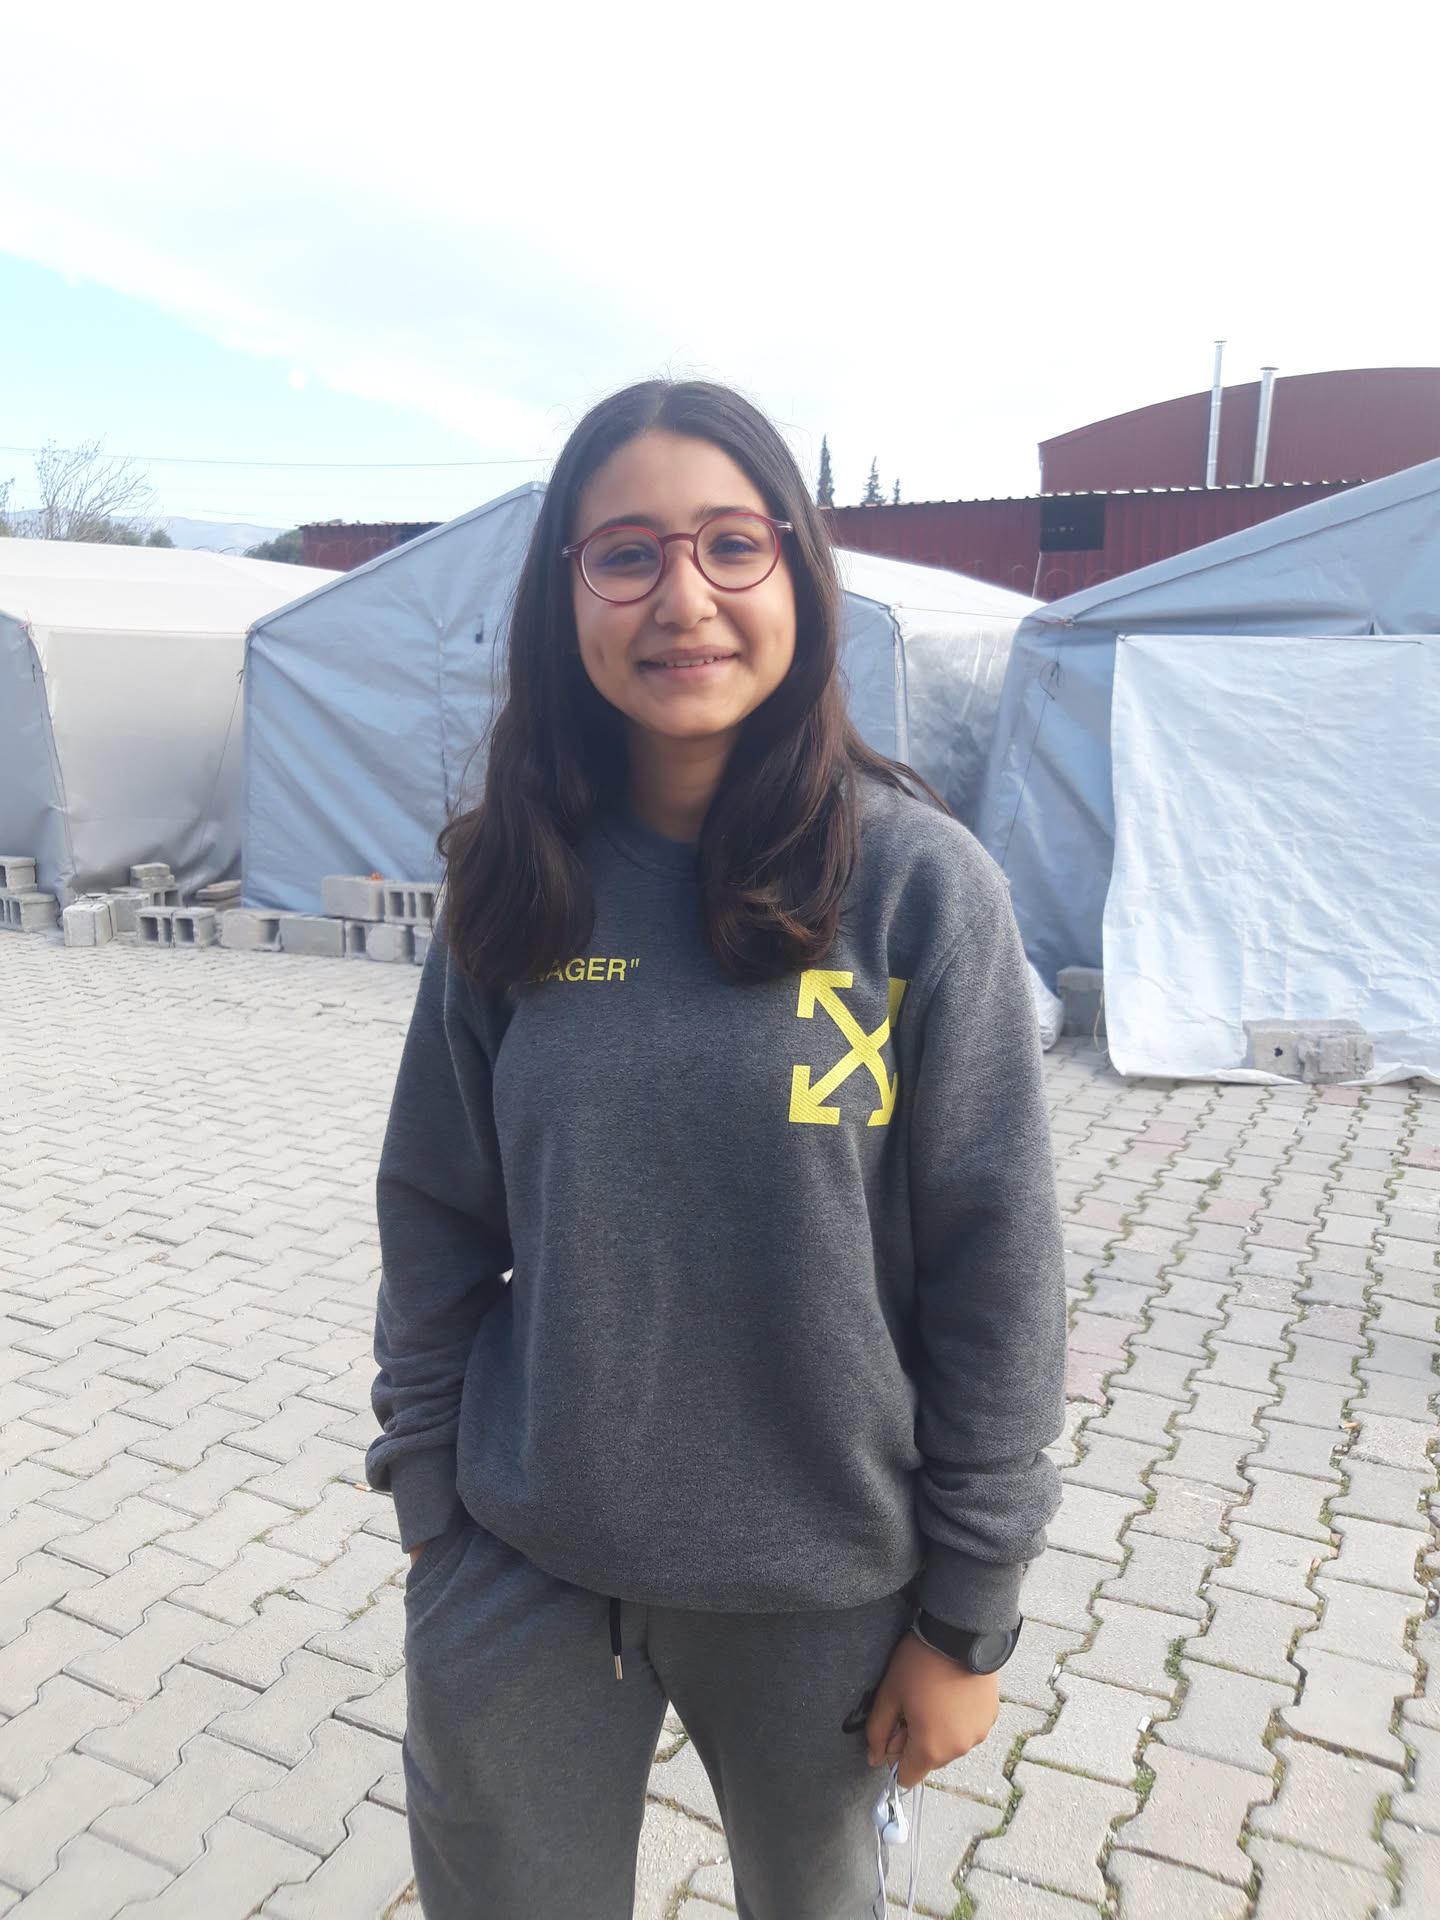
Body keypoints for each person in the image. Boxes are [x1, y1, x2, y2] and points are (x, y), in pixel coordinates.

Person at [366, 379, 1066, 1920]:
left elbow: (999, 1273)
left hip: (829, 1591)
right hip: (523, 1563)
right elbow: (432, 1212)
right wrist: (428, 1499)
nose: (682, 599)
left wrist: (969, 1615)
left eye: (731, 545)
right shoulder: (513, 887)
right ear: (566, 597)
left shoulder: (918, 893)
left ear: (797, 575)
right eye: (625, 554)